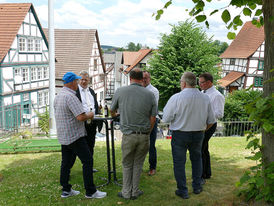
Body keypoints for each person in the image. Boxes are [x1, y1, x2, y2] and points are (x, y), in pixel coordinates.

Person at [162, 72, 215, 199]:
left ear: (184, 83)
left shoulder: (176, 98)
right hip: (198, 134)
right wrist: (202, 130)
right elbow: (211, 120)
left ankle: (183, 190)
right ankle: (197, 186)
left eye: (181, 82)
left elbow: (166, 118)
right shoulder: (205, 98)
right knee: (197, 160)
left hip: (180, 134)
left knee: (179, 162)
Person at [54, 72, 106, 199]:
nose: (78, 83)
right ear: (72, 82)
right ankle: (91, 191)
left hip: (64, 135)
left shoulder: (59, 95)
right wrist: (91, 114)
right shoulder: (71, 97)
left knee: (65, 163)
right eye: (77, 81)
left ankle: (66, 190)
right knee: (88, 161)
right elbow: (81, 116)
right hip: (75, 135)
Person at [110, 68, 157, 200]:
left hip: (128, 135)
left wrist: (116, 114)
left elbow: (112, 110)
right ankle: (135, 191)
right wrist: (148, 131)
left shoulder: (120, 91)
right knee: (138, 164)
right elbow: (153, 118)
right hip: (144, 134)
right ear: (142, 78)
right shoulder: (150, 94)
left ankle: (126, 192)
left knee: (127, 164)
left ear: (130, 78)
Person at [199, 72, 225, 180]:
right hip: (201, 123)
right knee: (204, 149)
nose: (199, 84)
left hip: (210, 124)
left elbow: (219, 114)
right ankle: (206, 173)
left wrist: (206, 116)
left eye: (202, 82)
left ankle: (202, 173)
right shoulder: (202, 92)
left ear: (209, 82)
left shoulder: (217, 95)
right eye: (199, 82)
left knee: (201, 148)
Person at [76, 70, 99, 173]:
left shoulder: (91, 91)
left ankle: (89, 166)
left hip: (92, 122)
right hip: (81, 122)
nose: (83, 82)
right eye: (82, 79)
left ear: (89, 80)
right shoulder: (75, 92)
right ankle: (85, 164)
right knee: (81, 145)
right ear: (78, 80)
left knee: (91, 144)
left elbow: (95, 105)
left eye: (86, 80)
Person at [142, 71, 159, 176]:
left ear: (150, 79)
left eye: (146, 78)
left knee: (151, 145)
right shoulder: (138, 89)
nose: (144, 80)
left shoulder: (154, 91)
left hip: (151, 120)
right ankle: (138, 167)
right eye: (142, 78)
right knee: (139, 145)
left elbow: (152, 108)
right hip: (140, 120)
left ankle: (152, 167)